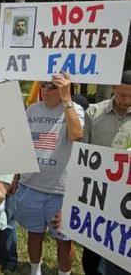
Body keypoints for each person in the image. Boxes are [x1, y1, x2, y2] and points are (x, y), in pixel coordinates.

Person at [14, 73, 84, 275]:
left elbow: (76, 135)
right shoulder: (32, 109)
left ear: (65, 88)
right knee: (34, 234)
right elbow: (24, 145)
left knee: (63, 239)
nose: (45, 89)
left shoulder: (74, 109)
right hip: (30, 186)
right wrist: (16, 177)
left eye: (52, 86)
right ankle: (35, 271)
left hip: (60, 191)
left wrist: (67, 100)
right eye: (43, 85)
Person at [81, 70, 131, 275]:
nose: (126, 100)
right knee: (92, 249)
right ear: (113, 89)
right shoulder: (94, 112)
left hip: (125, 199)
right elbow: (81, 154)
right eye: (122, 94)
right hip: (96, 195)